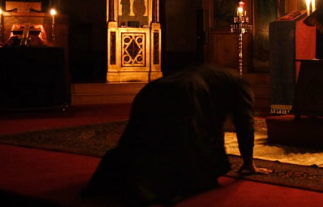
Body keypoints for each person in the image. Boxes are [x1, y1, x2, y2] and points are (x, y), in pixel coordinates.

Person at [82, 65, 271, 206]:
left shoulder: (217, 76)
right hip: (184, 94)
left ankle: (112, 181)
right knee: (180, 147)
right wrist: (248, 162)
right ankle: (149, 189)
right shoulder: (242, 85)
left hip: (151, 90)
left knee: (141, 141)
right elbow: (244, 122)